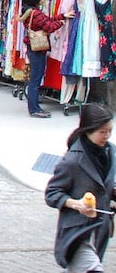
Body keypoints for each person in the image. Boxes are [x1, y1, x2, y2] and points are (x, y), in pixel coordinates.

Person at [46, 103, 115, 271]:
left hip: (100, 230)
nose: (107, 136)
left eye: (109, 131)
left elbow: (107, 185)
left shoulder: (111, 152)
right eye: (102, 132)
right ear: (89, 130)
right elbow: (52, 193)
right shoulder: (72, 161)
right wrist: (76, 203)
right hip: (77, 233)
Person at [21, 0, 74, 119]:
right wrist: (62, 22)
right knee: (35, 80)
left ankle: (34, 106)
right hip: (38, 49)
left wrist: (62, 16)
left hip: (33, 48)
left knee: (35, 78)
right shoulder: (36, 13)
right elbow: (49, 26)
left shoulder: (28, 11)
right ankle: (34, 109)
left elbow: (46, 21)